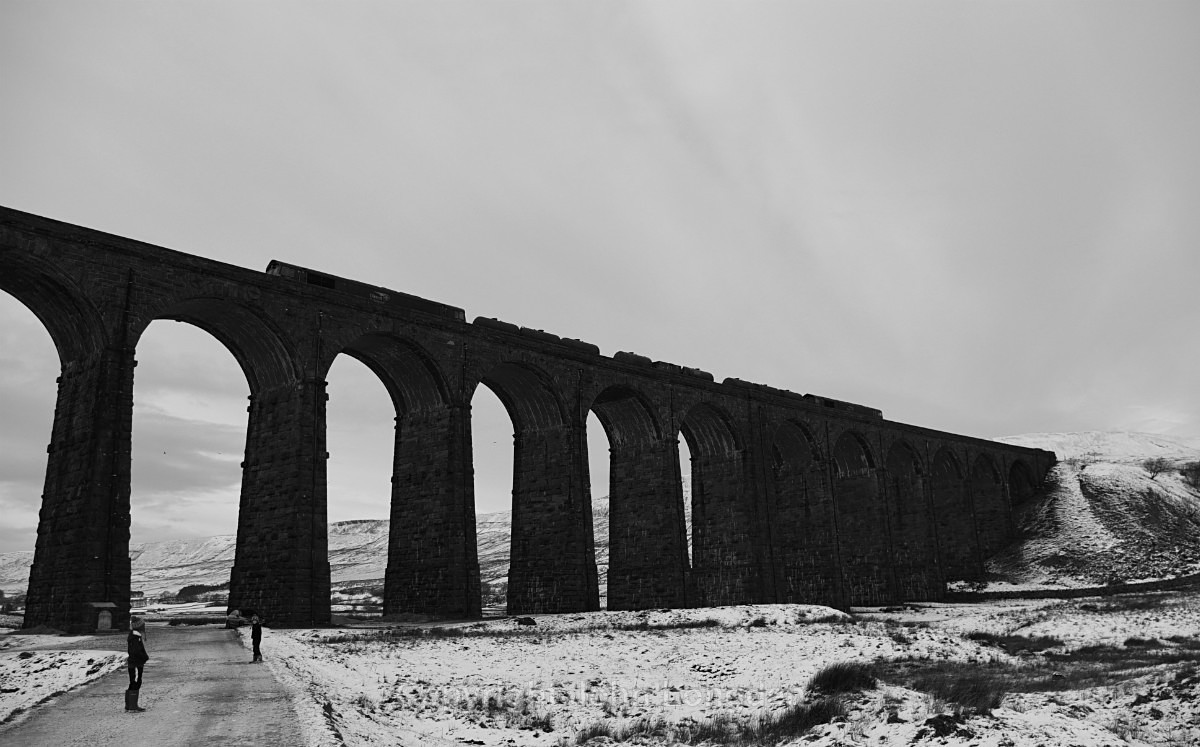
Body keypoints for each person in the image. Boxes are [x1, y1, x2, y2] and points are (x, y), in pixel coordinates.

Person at [126, 629, 149, 712]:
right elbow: (137, 651)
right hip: (137, 662)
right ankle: (132, 705)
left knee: (133, 681)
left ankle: (129, 705)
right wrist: (144, 657)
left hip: (134, 662)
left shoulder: (134, 636)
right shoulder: (136, 637)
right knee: (136, 682)